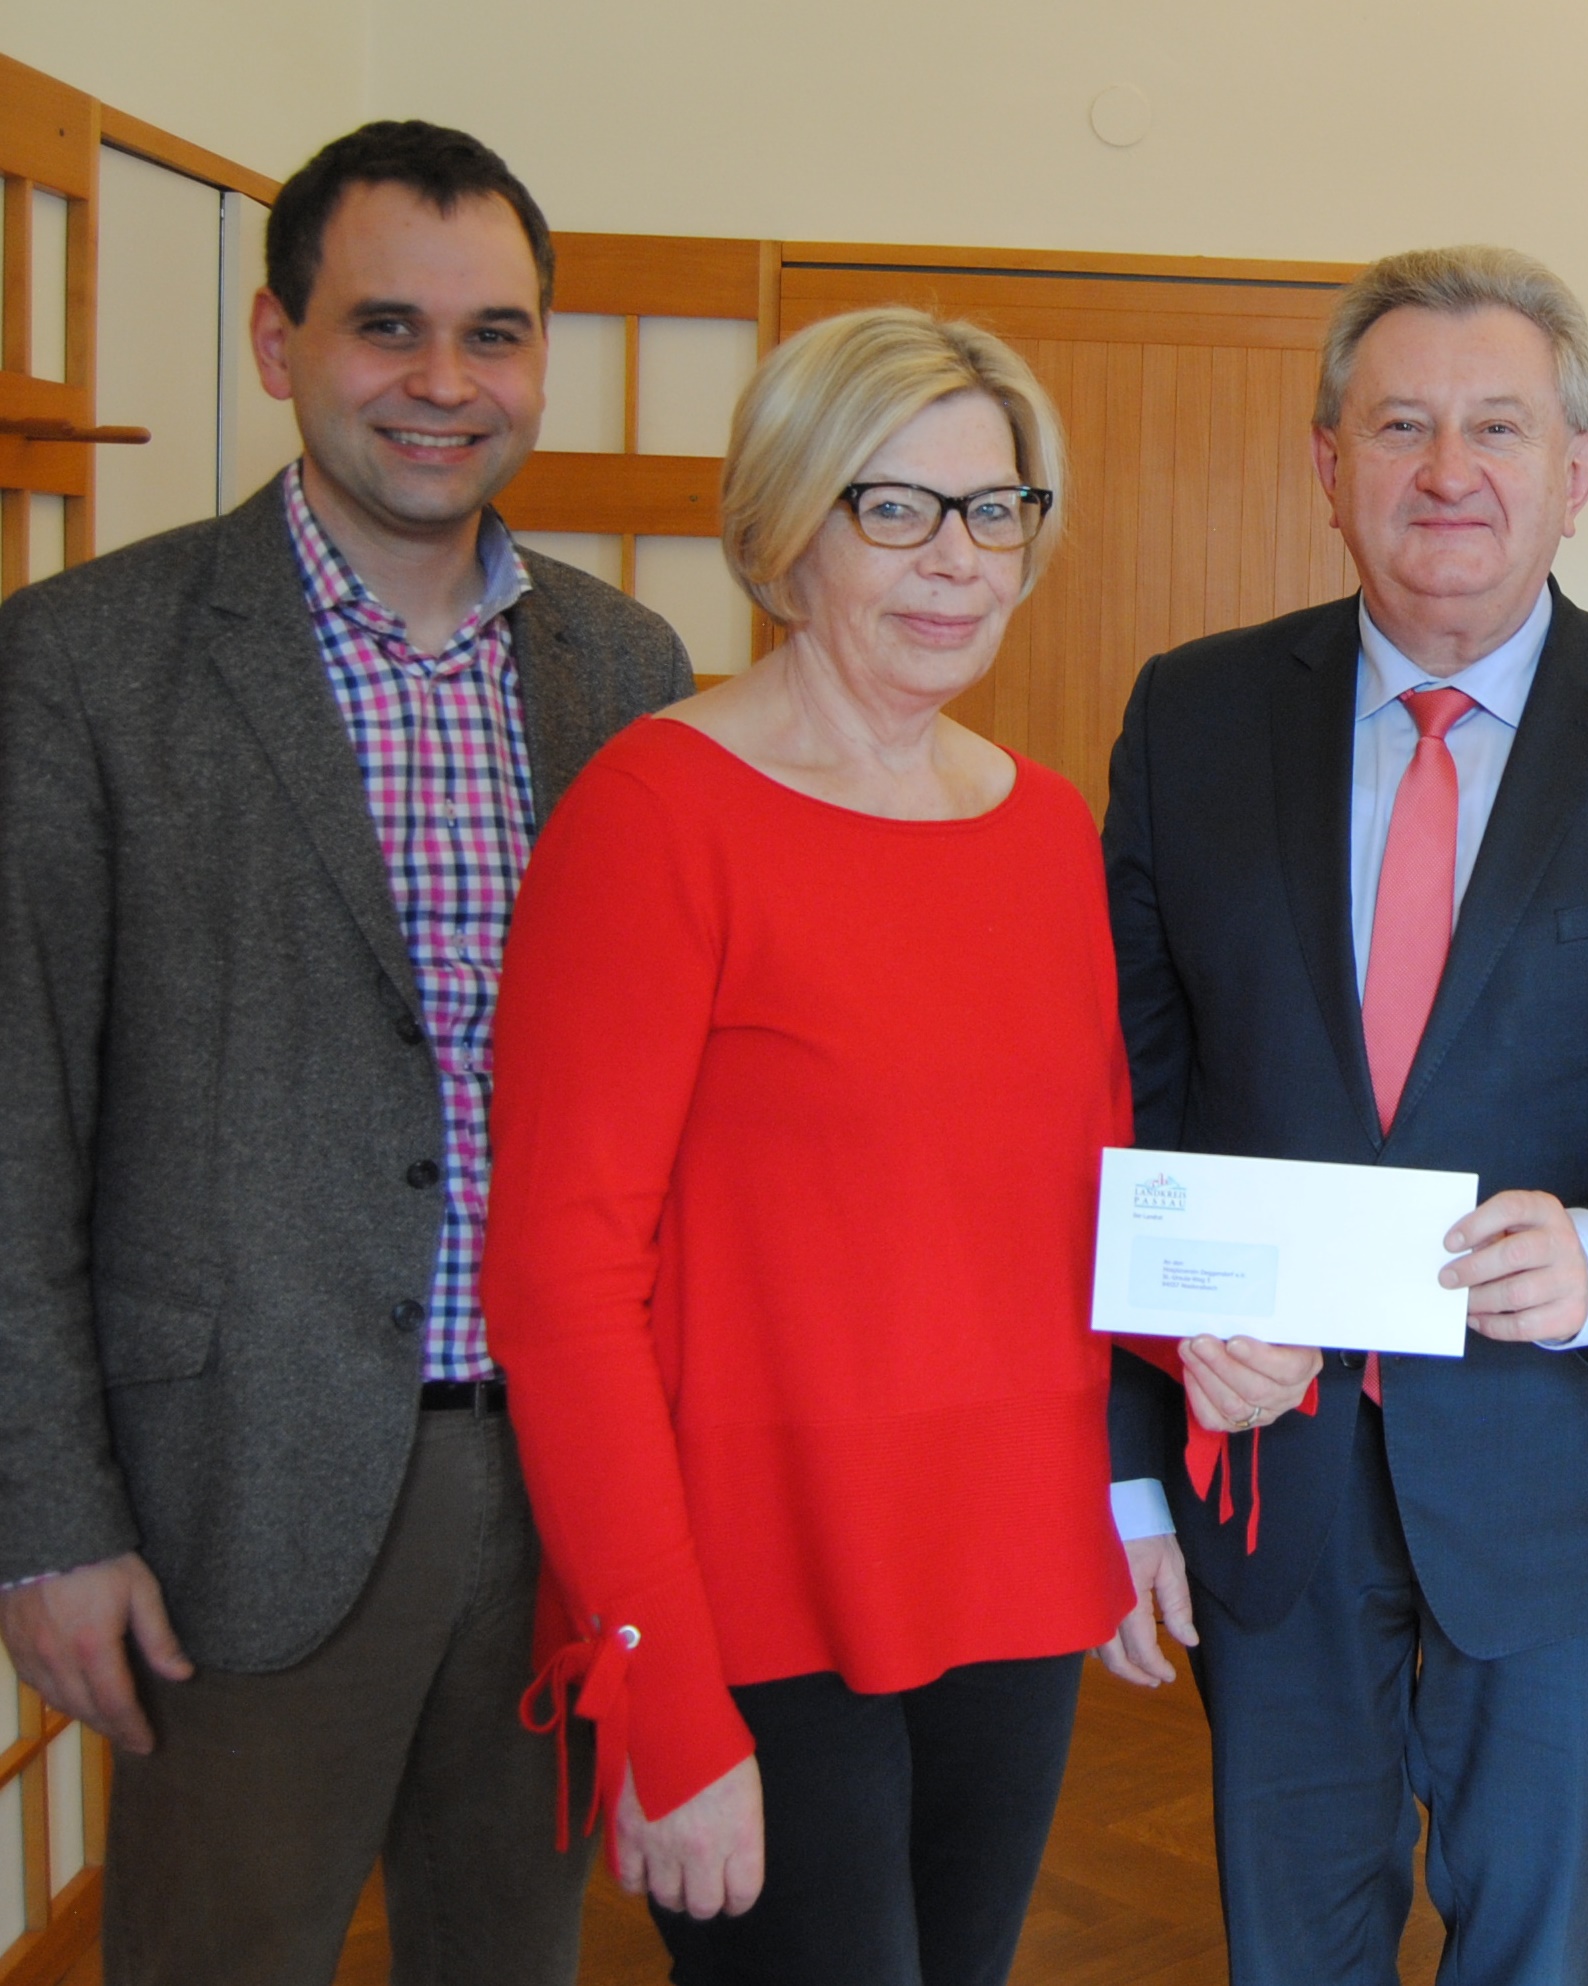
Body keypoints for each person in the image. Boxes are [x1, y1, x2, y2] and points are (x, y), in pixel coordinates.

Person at [0, 121, 689, 1984]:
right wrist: (44, 1521)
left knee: (510, 1957)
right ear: (274, 337)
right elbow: (12, 1124)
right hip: (237, 1483)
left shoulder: (626, 672)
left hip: (555, 1488)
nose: (446, 385)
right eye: (389, 326)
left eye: (497, 334)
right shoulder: (80, 665)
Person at [1096, 244, 1588, 1986]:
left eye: (1498, 426)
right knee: (1293, 1944)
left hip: (1565, 1466)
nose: (1449, 470)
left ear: (1575, 473)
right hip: (1265, 1466)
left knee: (1529, 1941)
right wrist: (1153, 1404)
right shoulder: (1190, 715)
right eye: (1401, 424)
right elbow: (1128, 1099)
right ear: (1325, 465)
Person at [480, 306, 1132, 1986]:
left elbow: (1088, 1206)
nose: (957, 562)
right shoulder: (654, 816)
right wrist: (660, 1690)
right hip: (754, 1599)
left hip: (1006, 1571)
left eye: (996, 510)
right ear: (784, 525)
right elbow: (559, 1287)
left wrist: (1138, 1487)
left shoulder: (1048, 824)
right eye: (891, 506)